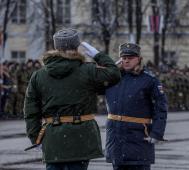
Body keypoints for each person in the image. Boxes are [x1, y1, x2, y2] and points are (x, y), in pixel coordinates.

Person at [24, 28, 121, 170]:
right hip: (81, 136)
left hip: (53, 138)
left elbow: (31, 110)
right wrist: (98, 55)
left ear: (56, 48)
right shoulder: (88, 70)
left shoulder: (39, 75)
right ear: (76, 47)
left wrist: (35, 138)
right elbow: (114, 74)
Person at [105, 43, 168, 170]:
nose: (126, 60)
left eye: (131, 57)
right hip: (116, 140)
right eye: (124, 57)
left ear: (139, 59)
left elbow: (161, 108)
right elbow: (94, 84)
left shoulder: (149, 80)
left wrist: (156, 133)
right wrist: (110, 68)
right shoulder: (113, 78)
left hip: (138, 138)